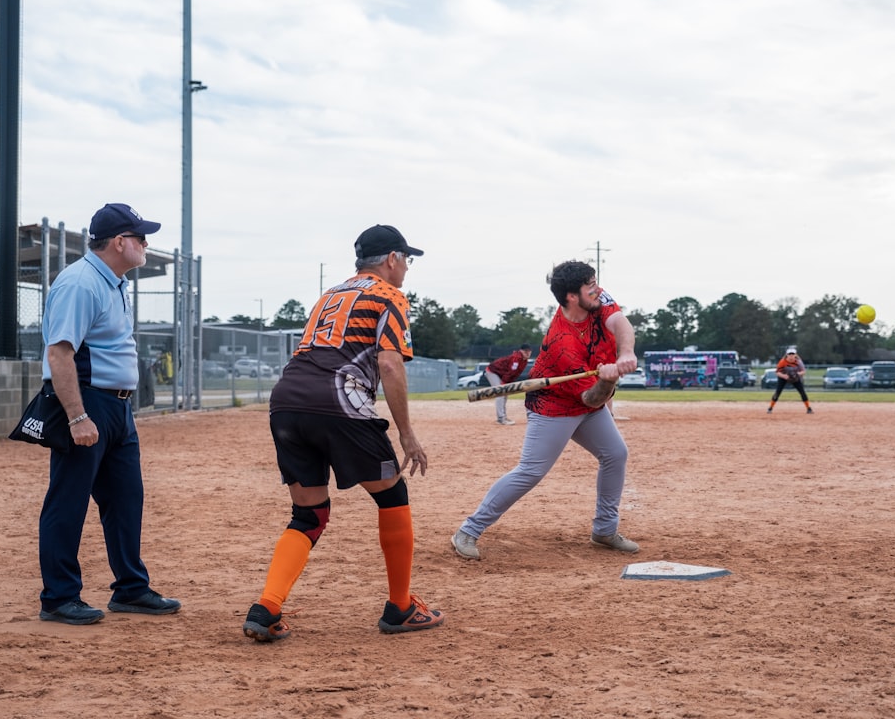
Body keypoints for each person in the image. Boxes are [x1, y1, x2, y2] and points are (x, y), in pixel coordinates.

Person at [242, 224, 443, 642]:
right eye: (406, 259)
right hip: (338, 398)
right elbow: (390, 364)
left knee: (309, 514)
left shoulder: (330, 294)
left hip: (286, 400)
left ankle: (267, 607)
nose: (406, 268)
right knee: (392, 495)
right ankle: (400, 607)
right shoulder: (389, 295)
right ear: (391, 259)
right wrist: (406, 433)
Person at [38, 202, 181, 625]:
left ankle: (131, 589)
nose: (145, 244)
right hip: (88, 403)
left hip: (118, 407)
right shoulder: (80, 282)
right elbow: (59, 352)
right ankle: (59, 598)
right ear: (119, 242)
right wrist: (78, 417)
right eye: (140, 237)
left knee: (125, 501)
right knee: (68, 502)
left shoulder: (114, 282)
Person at [451, 260, 639, 561]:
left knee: (615, 453)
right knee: (531, 471)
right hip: (554, 406)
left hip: (586, 402)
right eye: (589, 286)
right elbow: (592, 398)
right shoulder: (561, 342)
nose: (598, 290)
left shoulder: (596, 300)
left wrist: (626, 352)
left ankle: (604, 530)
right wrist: (610, 379)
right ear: (571, 297)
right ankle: (469, 530)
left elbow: (620, 323)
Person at [484, 343, 533, 425]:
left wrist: (507, 383)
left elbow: (515, 374)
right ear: (521, 351)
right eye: (525, 351)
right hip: (492, 372)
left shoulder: (524, 361)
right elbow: (511, 372)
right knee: (500, 393)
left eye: (529, 351)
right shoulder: (516, 358)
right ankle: (501, 419)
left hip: (500, 374)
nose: (527, 353)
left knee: (504, 394)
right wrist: (504, 383)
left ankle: (503, 416)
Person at [767, 346, 813, 414]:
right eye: (789, 354)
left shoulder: (798, 362)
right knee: (778, 392)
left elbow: (803, 371)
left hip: (794, 377)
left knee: (802, 392)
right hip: (783, 377)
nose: (791, 356)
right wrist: (784, 376)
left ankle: (809, 408)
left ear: (795, 355)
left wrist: (798, 374)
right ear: (787, 355)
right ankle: (770, 408)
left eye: (793, 354)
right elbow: (777, 372)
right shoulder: (783, 361)